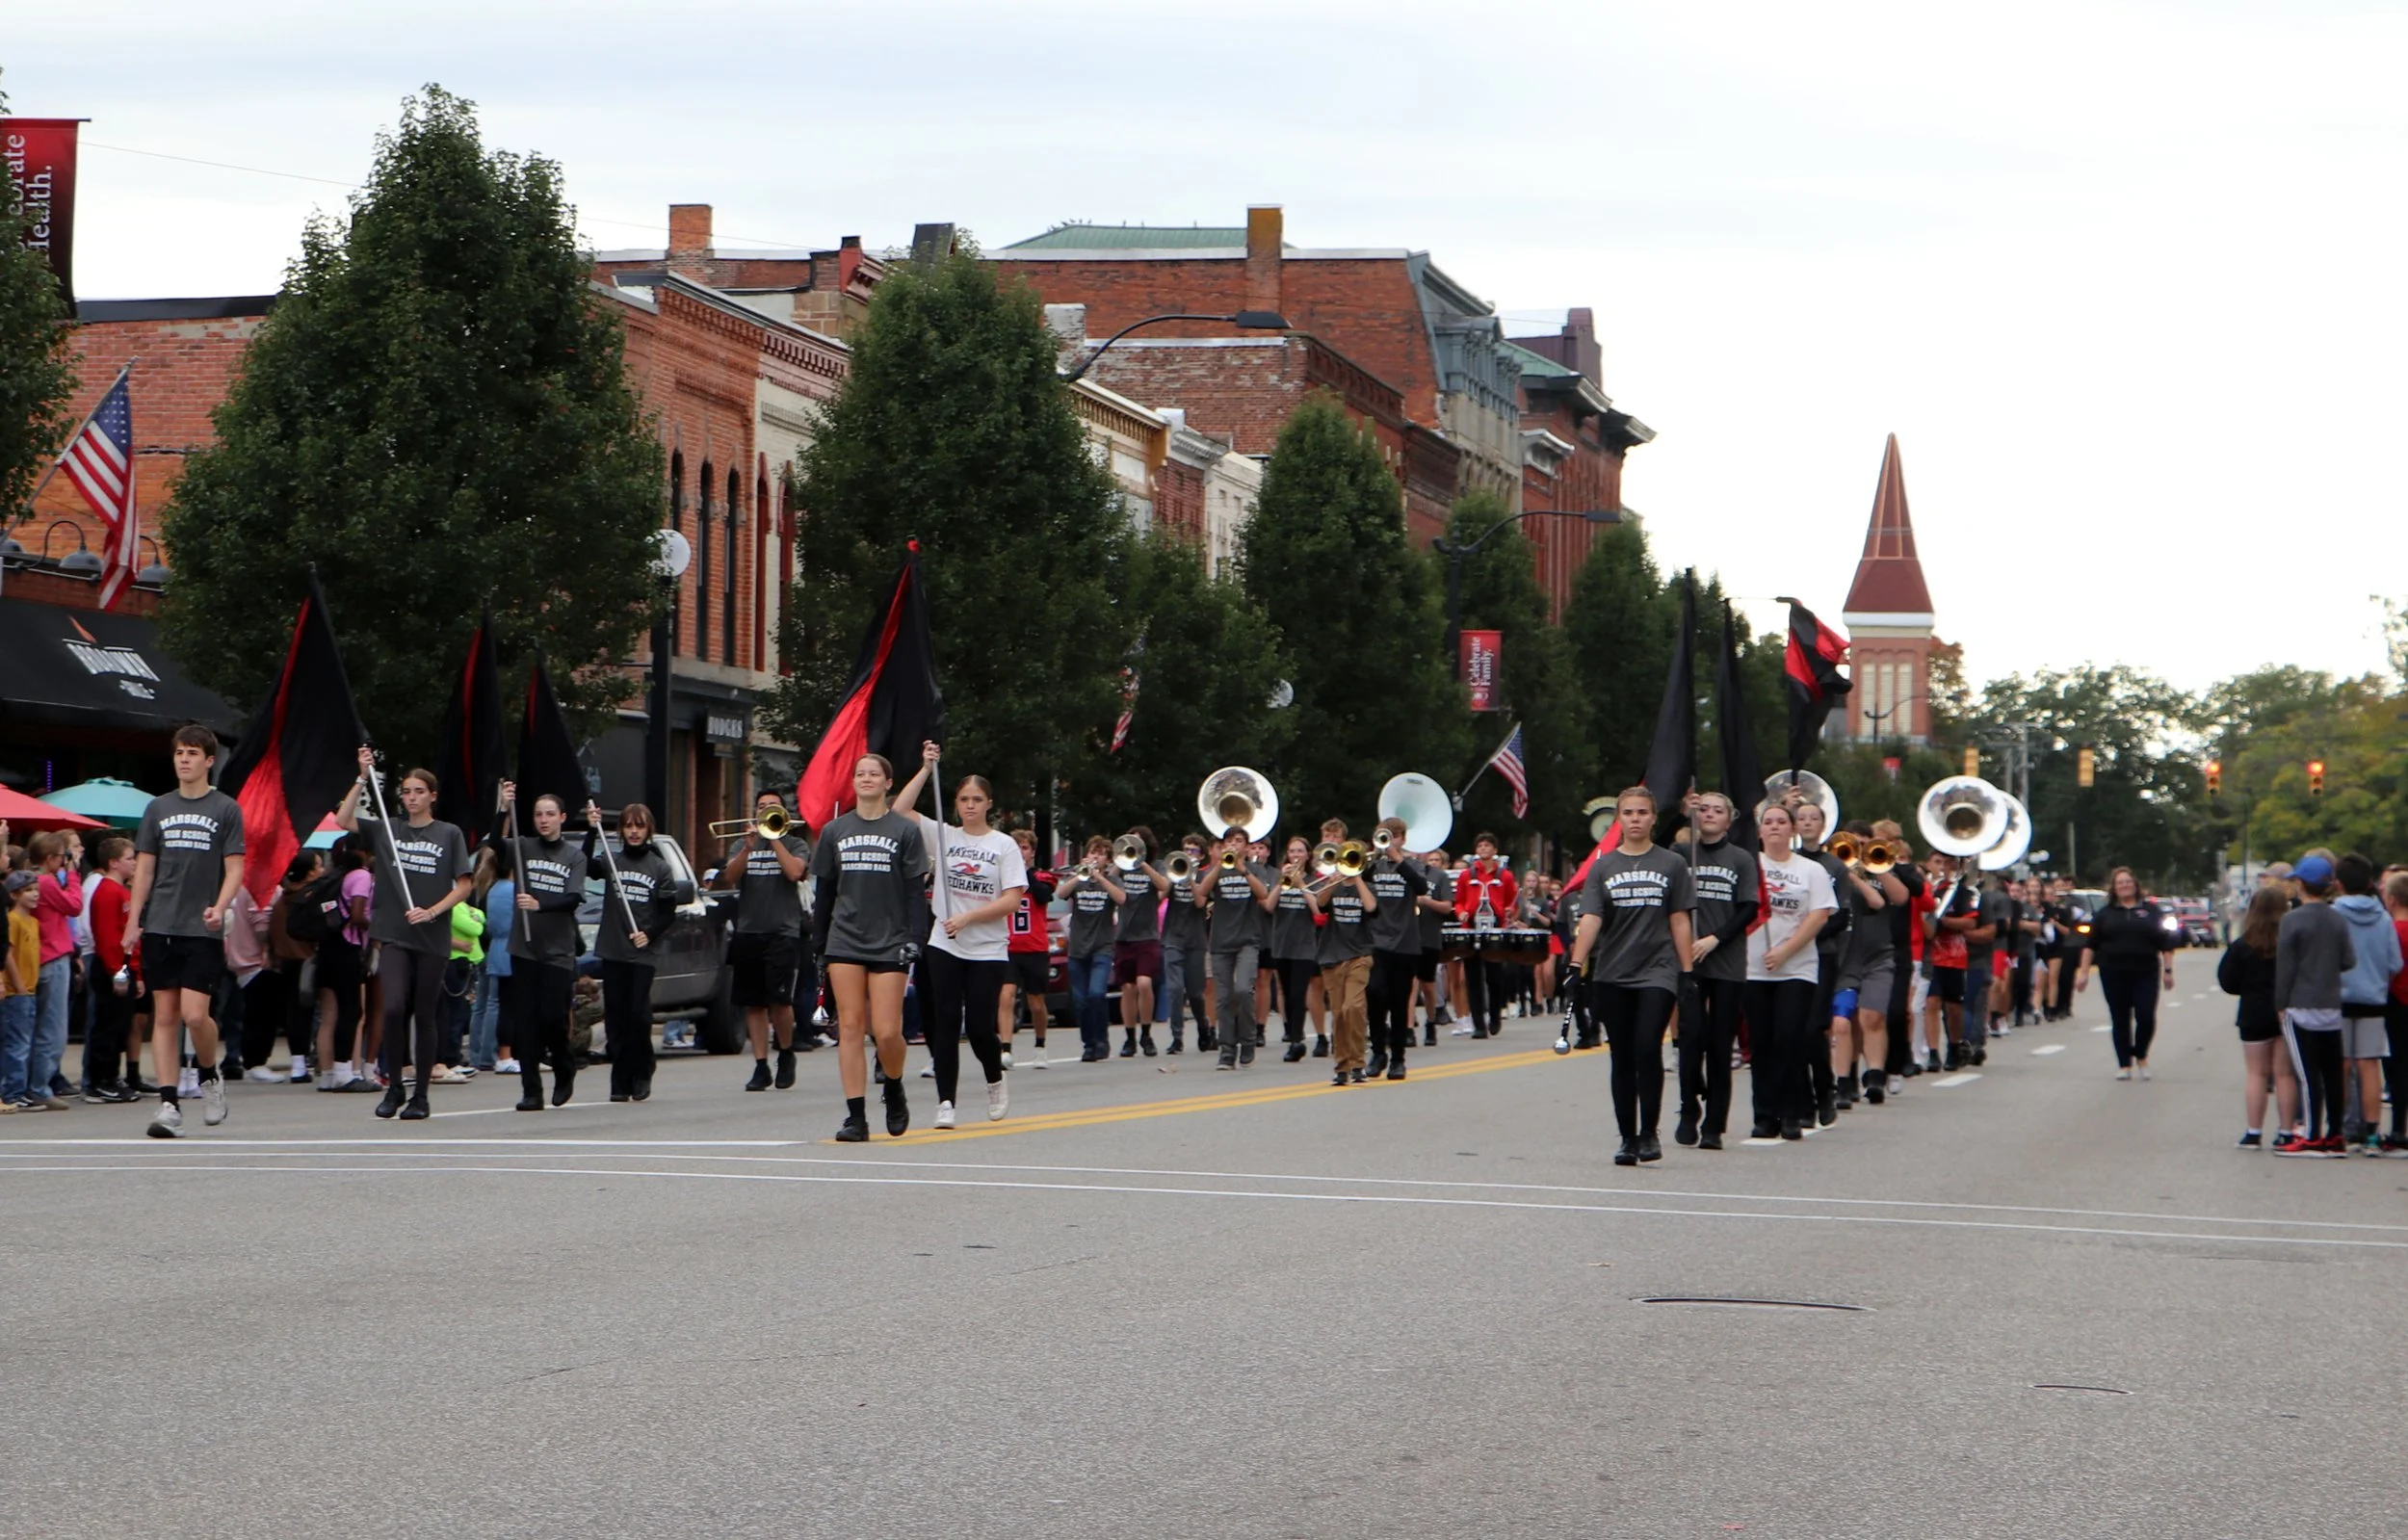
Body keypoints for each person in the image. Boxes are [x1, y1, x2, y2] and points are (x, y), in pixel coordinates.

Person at [893, 742, 1025, 1129]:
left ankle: (995, 1079)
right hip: (944, 943)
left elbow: (1012, 900)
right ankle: (946, 1102)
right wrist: (924, 768)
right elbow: (899, 810)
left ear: (988, 804)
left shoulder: (1003, 845)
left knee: (981, 1027)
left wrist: (969, 919)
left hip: (986, 948)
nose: (970, 805)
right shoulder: (944, 836)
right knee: (945, 1021)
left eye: (977, 799)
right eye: (964, 799)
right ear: (956, 803)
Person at [337, 750, 473, 1121]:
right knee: (393, 1006)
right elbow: (343, 819)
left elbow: (464, 884)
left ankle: (422, 1096)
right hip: (394, 934)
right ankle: (394, 1085)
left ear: (432, 795)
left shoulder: (449, 833)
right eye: (406, 791)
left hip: (431, 936)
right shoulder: (387, 829)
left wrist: (432, 911)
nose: (411, 797)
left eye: (418, 791)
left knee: (424, 1015)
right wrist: (362, 778)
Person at [126, 724, 247, 1138]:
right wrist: (133, 920)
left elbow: (235, 868)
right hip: (160, 923)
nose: (184, 759)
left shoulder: (226, 809)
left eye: (193, 753)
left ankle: (210, 1076)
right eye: (179, 752)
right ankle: (168, 1105)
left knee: (196, 1016)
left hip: (202, 926)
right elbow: (143, 867)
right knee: (165, 1016)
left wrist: (221, 905)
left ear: (209, 761)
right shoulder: (157, 808)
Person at [808, 753, 932, 1141]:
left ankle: (893, 1087)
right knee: (849, 1026)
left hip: (890, 940)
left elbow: (915, 892)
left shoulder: (904, 831)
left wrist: (916, 938)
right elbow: (825, 891)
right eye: (860, 773)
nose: (866, 778)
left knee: (887, 1030)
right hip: (844, 937)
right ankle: (855, 1117)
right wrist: (818, 941)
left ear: (887, 783)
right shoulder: (834, 831)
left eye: (874, 773)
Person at [1570, 786, 1696, 1164]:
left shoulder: (1672, 864)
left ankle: (1649, 1133)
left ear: (1654, 818)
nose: (1636, 819)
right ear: (1618, 819)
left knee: (1646, 1047)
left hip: (1658, 969)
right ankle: (1627, 1137)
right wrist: (1575, 966)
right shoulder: (1603, 866)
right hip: (1613, 971)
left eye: (1643, 812)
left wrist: (1687, 970)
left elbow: (1678, 918)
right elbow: (1591, 919)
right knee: (1622, 1056)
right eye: (1628, 813)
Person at [1742, 802, 1836, 1142]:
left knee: (1790, 1039)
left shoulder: (1811, 870)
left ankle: (1793, 1111)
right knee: (1762, 1043)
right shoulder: (1749, 866)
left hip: (1796, 967)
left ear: (1792, 829)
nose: (1775, 827)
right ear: (1760, 830)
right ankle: (1764, 1115)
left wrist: (1785, 950)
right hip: (1754, 968)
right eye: (1768, 822)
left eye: (1782, 821)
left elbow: (1819, 915)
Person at [712, 789, 811, 1092]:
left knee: (780, 1002)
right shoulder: (742, 844)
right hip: (749, 931)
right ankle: (760, 1065)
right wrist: (747, 848)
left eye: (772, 807)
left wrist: (775, 837)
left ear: (782, 812)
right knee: (753, 1003)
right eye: (761, 807)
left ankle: (786, 1052)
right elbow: (729, 878)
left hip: (782, 931)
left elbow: (795, 873)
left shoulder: (795, 843)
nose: (766, 810)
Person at [1675, 794, 1758, 1147]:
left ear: (1729, 820)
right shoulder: (1681, 855)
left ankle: (1714, 1124)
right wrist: (1679, 814)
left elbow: (1749, 909)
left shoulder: (1740, 858)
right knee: (1690, 1039)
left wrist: (1715, 939)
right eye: (1703, 808)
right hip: (1688, 961)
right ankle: (1689, 1106)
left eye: (1717, 810)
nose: (1709, 814)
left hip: (1725, 961)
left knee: (1720, 1045)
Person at [586, 801, 683, 1103]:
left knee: (637, 1015)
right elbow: (586, 865)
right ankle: (620, 1077)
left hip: (641, 953)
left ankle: (642, 1070)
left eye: (639, 826)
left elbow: (668, 913)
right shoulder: (611, 861)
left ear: (648, 829)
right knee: (615, 1016)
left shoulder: (660, 868)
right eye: (628, 826)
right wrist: (591, 830)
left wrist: (649, 934)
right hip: (613, 950)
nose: (633, 832)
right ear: (620, 830)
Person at [494, 783, 583, 1111]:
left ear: (561, 818)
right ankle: (531, 1090)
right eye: (538, 814)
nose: (543, 820)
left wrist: (539, 904)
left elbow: (573, 898)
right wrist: (504, 808)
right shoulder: (524, 846)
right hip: (524, 947)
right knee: (526, 1023)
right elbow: (492, 844)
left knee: (552, 1018)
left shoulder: (574, 856)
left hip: (557, 950)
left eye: (549, 814)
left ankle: (564, 1067)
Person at [2271, 852, 2353, 1156]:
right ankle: (2335, 1134)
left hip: (2301, 1003)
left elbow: (2286, 967)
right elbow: (2349, 959)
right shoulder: (2337, 919)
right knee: (2332, 1072)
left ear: (2301, 884)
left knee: (2307, 1074)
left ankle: (2311, 1133)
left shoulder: (2292, 920)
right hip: (2331, 1003)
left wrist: (2280, 1002)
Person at [2328, 852, 2400, 1155]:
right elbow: (2395, 962)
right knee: (2369, 1064)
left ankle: (2343, 1130)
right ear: (2372, 882)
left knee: (2341, 1064)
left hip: (2339, 998)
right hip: (2373, 998)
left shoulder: (2334, 915)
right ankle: (2372, 1132)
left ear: (2338, 883)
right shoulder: (2383, 917)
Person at [2077, 867, 2177, 1081]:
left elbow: (2166, 944)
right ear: (2114, 888)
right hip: (2113, 972)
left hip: (2146, 972)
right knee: (2120, 1018)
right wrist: (2084, 973)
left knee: (2146, 1016)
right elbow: (2090, 945)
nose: (2124, 886)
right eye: (2119, 883)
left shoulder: (2151, 911)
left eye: (2127, 882)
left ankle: (2140, 1054)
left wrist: (2168, 971)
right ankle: (2124, 1064)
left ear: (2135, 884)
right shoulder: (2105, 914)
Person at [1202, 827, 1277, 1070]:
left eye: (1239, 841)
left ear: (1246, 846)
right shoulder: (1219, 870)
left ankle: (1248, 1041)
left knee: (1244, 990)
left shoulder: (1254, 870)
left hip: (1247, 940)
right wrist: (1218, 866)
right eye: (1230, 841)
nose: (1234, 845)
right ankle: (1226, 1051)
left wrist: (1243, 869)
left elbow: (1263, 894)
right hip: (1221, 942)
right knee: (1223, 998)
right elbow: (1201, 893)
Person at [1363, 820, 1432, 1080]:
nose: (1389, 841)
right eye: (1384, 836)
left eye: (1394, 837)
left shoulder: (1413, 864)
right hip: (1377, 941)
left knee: (1399, 1002)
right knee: (1374, 994)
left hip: (1405, 943)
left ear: (1403, 839)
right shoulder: (1374, 865)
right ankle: (1378, 1050)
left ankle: (1398, 1058)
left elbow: (1422, 888)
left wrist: (1398, 859)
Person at [2217, 886, 2286, 1149]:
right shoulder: (2289, 942)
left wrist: (2247, 988)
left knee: (2256, 1074)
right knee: (2285, 1075)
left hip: (2253, 1013)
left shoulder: (2244, 944)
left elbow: (2227, 980)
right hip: (2286, 1011)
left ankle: (2254, 1131)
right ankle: (2287, 1130)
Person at [81, 837, 144, 1103]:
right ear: (114, 862)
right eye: (130, 858)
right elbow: (107, 938)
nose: (134, 863)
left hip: (124, 965)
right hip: (113, 967)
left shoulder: (121, 891)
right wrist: (117, 972)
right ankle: (100, 1081)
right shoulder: (108, 892)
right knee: (107, 1025)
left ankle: (111, 1075)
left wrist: (136, 973)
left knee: (119, 1024)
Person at [1310, 840, 1377, 1084]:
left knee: (1354, 1008)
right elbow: (1319, 905)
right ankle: (1342, 1066)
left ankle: (1358, 1061)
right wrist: (1332, 881)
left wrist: (1356, 877)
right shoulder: (1334, 885)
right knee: (1339, 1014)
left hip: (1360, 954)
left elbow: (1371, 907)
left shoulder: (1367, 887)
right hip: (1332, 955)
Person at [1104, 828, 1166, 1058]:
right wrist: (1122, 859)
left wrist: (1143, 862)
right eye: (1131, 844)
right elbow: (1110, 878)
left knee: (1144, 984)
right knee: (1127, 988)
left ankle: (1146, 1033)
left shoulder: (1155, 866)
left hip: (1147, 936)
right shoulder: (1122, 868)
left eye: (1139, 844)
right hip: (1124, 937)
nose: (1134, 848)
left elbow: (1164, 886)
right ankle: (1130, 1037)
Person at [1058, 838, 1117, 1063]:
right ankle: (1089, 1044)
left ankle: (1102, 1040)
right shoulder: (1079, 880)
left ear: (1108, 860)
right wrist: (1079, 874)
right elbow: (1061, 894)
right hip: (1078, 949)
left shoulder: (1112, 881)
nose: (1095, 857)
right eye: (1093, 853)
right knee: (1081, 1000)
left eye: (1101, 854)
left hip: (1102, 947)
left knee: (1096, 994)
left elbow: (1121, 899)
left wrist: (1100, 876)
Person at [1453, 832, 1519, 1041]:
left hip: (1495, 928)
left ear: (1494, 850)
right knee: (1473, 978)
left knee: (1494, 976)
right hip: (1471, 928)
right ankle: (1478, 1024)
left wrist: (1509, 910)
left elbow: (1512, 900)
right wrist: (1461, 912)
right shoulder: (1467, 875)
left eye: (1487, 845)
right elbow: (1459, 901)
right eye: (1480, 845)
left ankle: (1494, 1016)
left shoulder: (1504, 876)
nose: (1483, 849)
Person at [1002, 828, 1057, 1069]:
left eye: (1024, 847)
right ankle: (1005, 1049)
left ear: (1032, 852)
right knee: (1006, 997)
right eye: (1016, 847)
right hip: (1008, 947)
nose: (1020, 852)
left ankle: (1041, 1045)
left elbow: (1044, 895)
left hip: (1035, 948)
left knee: (1036, 1003)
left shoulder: (1042, 877)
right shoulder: (1002, 877)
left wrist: (1024, 873)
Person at [1269, 837, 1324, 1062]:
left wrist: (1301, 885)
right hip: (1282, 943)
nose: (1295, 855)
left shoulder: (1313, 880)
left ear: (1308, 855)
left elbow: (1318, 910)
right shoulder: (1280, 877)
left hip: (1304, 945)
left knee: (1298, 993)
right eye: (1292, 851)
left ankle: (1297, 1040)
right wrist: (1282, 881)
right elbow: (1269, 906)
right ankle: (1292, 1035)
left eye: (1300, 851)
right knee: (1286, 991)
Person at [1158, 833, 1211, 1057]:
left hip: (1196, 940)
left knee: (1196, 993)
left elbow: (1200, 902)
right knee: (1175, 989)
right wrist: (1172, 878)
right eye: (1186, 850)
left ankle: (1202, 1025)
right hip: (1173, 938)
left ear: (1201, 855)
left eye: (1194, 851)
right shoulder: (1172, 873)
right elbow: (1160, 896)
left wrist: (1189, 877)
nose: (1190, 854)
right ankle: (1176, 1038)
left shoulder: (1204, 876)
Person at [0, 872, 42, 1114]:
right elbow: (7, 954)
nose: (35, 893)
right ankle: (13, 1091)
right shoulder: (13, 919)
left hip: (30, 988)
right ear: (14, 894)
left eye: (36, 888)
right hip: (18, 991)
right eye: (28, 890)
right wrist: (17, 984)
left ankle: (20, 1088)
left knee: (24, 1041)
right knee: (17, 1044)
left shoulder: (33, 921)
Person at [2380, 871, 2408, 1153]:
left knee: (2397, 1068)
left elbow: (2389, 967)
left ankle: (2398, 1129)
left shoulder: (2392, 931)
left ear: (2391, 899)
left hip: (2396, 1002)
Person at [1416, 849, 1454, 1045]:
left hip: (1429, 936)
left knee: (1428, 987)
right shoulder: (1402, 872)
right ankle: (1406, 1029)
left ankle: (1430, 1022)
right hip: (1406, 937)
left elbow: (1447, 907)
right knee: (1408, 985)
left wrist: (1427, 901)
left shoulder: (1439, 876)